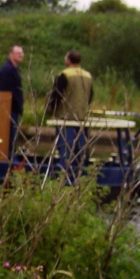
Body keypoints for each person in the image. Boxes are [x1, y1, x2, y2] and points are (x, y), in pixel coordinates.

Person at [45, 50, 93, 182]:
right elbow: (90, 96)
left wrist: (50, 111)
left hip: (66, 120)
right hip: (82, 120)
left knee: (65, 153)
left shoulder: (64, 75)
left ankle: (64, 181)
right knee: (81, 154)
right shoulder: (88, 75)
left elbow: (56, 95)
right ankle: (81, 180)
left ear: (68, 61)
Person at [0, 45, 25, 156]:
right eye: (18, 53)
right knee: (10, 135)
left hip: (15, 108)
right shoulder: (6, 70)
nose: (21, 55)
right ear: (11, 54)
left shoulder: (15, 69)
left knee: (14, 135)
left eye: (22, 53)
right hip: (9, 108)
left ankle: (12, 154)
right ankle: (8, 156)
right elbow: (8, 91)